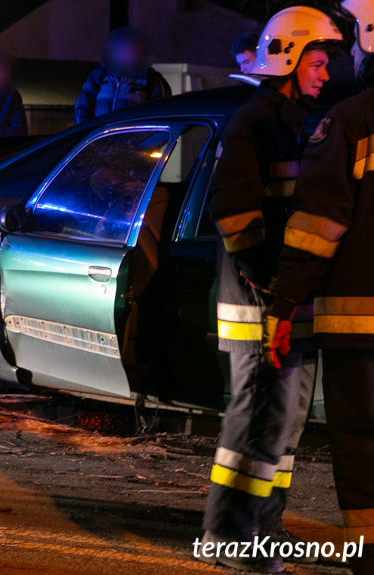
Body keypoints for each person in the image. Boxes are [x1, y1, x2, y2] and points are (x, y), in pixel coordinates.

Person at [202, 7, 341, 573]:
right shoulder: (254, 123)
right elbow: (235, 213)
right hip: (260, 305)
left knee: (284, 425)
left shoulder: (290, 121)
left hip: (287, 301)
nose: (327, 74)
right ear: (287, 57)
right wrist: (269, 281)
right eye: (318, 61)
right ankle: (230, 537)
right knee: (256, 419)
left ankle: (265, 528)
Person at [266, 2, 374, 572]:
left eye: (354, 39)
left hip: (361, 330)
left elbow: (317, 227)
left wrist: (285, 302)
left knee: (362, 442)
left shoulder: (353, 120)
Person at [73, 27, 171, 124]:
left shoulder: (151, 80)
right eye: (123, 50)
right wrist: (87, 135)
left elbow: (160, 115)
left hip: (134, 138)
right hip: (101, 137)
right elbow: (82, 109)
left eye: (133, 50)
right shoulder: (99, 75)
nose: (128, 54)